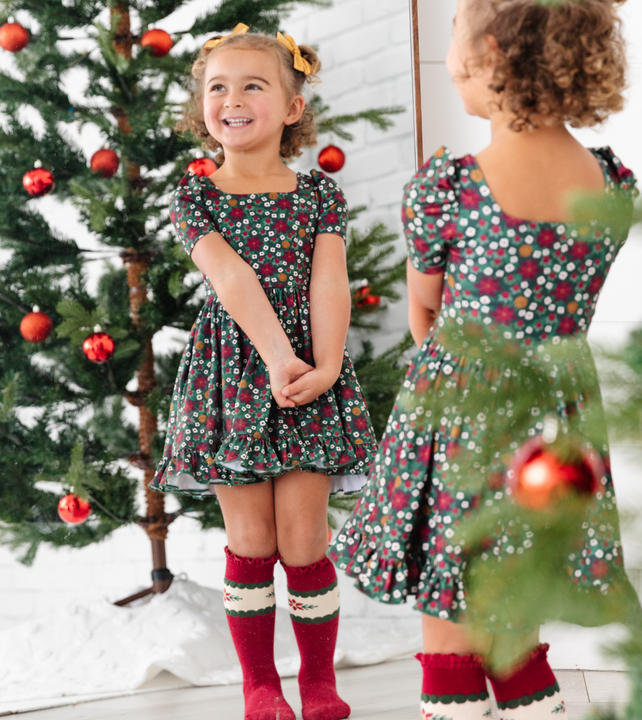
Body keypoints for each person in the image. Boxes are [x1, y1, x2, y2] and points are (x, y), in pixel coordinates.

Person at [329, 0, 639, 717]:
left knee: (450, 580)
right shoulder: (611, 182)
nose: (450, 63)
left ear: (492, 54)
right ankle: (534, 702)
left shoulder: (452, 187)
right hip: (557, 409)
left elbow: (425, 311)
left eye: (453, 43)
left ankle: (454, 704)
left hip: (462, 404)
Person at [150, 24, 376, 720]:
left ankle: (317, 682)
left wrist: (327, 363)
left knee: (305, 541)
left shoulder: (317, 196)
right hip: (234, 379)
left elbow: (330, 283)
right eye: (218, 86)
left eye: (254, 84)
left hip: (311, 373)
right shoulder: (196, 197)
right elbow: (231, 277)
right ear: (202, 106)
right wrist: (277, 356)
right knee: (252, 541)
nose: (233, 98)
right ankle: (260, 686)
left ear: (292, 107)